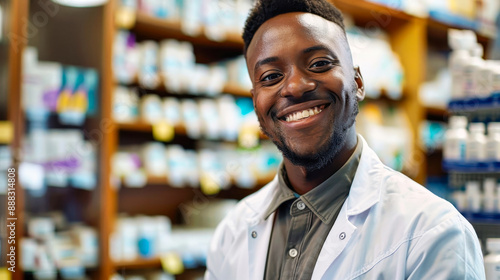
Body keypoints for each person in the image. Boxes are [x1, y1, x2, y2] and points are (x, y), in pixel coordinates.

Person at [205, 0, 486, 279]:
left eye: (319, 63)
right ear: (256, 104)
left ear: (358, 83)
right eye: (271, 76)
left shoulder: (431, 233)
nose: (294, 86)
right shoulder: (232, 232)